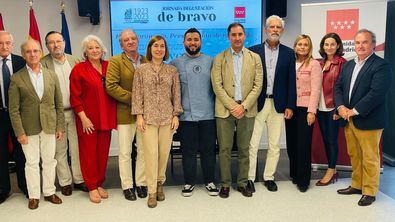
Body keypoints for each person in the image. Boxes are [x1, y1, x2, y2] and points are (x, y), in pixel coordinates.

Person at [335, 29, 392, 206]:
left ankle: (369, 191)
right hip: (348, 119)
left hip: (369, 120)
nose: (360, 46)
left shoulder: (381, 65)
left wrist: (354, 110)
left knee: (370, 157)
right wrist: (341, 106)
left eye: (365, 42)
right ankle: (357, 185)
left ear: (373, 45)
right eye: (358, 42)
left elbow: (376, 93)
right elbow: (338, 87)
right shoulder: (349, 65)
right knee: (355, 154)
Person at [8, 39, 65, 209]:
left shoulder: (51, 75)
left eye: (35, 51)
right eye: (28, 52)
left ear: (40, 53)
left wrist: (60, 126)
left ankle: (49, 192)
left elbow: (58, 103)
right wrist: (19, 132)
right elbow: (14, 109)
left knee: (49, 160)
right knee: (31, 162)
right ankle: (34, 196)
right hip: (28, 128)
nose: (32, 54)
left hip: (49, 125)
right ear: (23, 55)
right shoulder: (16, 78)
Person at [211, 22, 263, 198]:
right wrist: (233, 106)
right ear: (228, 37)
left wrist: (244, 106)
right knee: (224, 149)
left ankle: (242, 182)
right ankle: (225, 184)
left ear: (245, 36)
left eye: (240, 34)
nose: (237, 38)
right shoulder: (219, 58)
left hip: (247, 110)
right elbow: (217, 86)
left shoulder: (255, 58)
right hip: (225, 110)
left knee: (244, 149)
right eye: (233, 35)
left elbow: (258, 85)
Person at [132, 35, 182, 208]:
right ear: (150, 49)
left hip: (167, 119)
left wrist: (176, 114)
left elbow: (176, 94)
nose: (159, 49)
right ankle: (152, 191)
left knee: (163, 153)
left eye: (162, 46)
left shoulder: (172, 71)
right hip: (148, 119)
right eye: (155, 46)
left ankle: (160, 183)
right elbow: (137, 94)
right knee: (150, 154)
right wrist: (138, 115)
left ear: (165, 49)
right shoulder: (141, 70)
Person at [247, 15, 296, 192]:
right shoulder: (253, 51)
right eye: (271, 27)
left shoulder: (289, 53)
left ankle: (269, 177)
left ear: (282, 31)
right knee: (253, 144)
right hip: (257, 104)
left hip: (279, 105)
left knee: (274, 144)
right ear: (266, 30)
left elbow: (292, 81)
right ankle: (250, 178)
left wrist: (290, 105)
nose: (275, 30)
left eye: (278, 27)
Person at [170, 28, 218, 197]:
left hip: (208, 115)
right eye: (189, 39)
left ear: (201, 42)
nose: (192, 43)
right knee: (188, 151)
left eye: (196, 39)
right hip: (186, 116)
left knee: (208, 150)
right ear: (183, 42)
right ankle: (189, 182)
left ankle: (210, 181)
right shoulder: (175, 63)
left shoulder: (211, 61)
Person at [69, 35, 116, 204]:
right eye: (90, 48)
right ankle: (91, 186)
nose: (94, 50)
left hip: (106, 118)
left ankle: (99, 182)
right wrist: (83, 118)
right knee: (88, 153)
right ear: (85, 52)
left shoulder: (109, 66)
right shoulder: (79, 69)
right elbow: (75, 97)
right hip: (87, 120)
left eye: (97, 47)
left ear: (102, 50)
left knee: (102, 153)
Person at [41, 31, 88, 196]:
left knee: (77, 148)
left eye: (58, 41)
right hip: (55, 114)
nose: (56, 45)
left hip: (76, 112)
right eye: (51, 42)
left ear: (64, 42)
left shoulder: (76, 61)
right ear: (47, 46)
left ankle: (79, 179)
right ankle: (65, 182)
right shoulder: (42, 64)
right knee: (60, 150)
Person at [106, 29, 147, 201]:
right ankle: (127, 186)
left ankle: (141, 183)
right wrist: (135, 99)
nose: (130, 42)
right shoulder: (115, 61)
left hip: (145, 115)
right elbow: (111, 86)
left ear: (138, 40)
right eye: (126, 40)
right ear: (121, 44)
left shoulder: (146, 60)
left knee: (144, 150)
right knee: (125, 152)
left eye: (133, 38)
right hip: (125, 113)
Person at [285, 34, 322, 192]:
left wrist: (312, 111)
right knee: (291, 144)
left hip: (306, 109)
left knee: (303, 145)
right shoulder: (290, 63)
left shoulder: (314, 64)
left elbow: (316, 90)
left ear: (309, 47)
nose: (302, 47)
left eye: (305, 45)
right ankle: (295, 174)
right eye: (299, 44)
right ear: (295, 46)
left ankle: (303, 180)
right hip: (291, 108)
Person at [315, 33, 347, 186]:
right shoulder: (318, 63)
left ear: (338, 46)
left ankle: (331, 170)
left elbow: (344, 90)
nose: (329, 47)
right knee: (326, 140)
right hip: (319, 108)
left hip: (332, 109)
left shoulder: (343, 63)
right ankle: (332, 169)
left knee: (332, 141)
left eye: (332, 44)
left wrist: (338, 110)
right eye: (326, 44)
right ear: (322, 47)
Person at [0, 30, 28, 204]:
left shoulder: (21, 62)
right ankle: (3, 189)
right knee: (1, 153)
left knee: (21, 152)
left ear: (12, 44)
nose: (4, 46)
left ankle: (26, 186)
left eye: (7, 43)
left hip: (19, 115)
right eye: (0, 43)